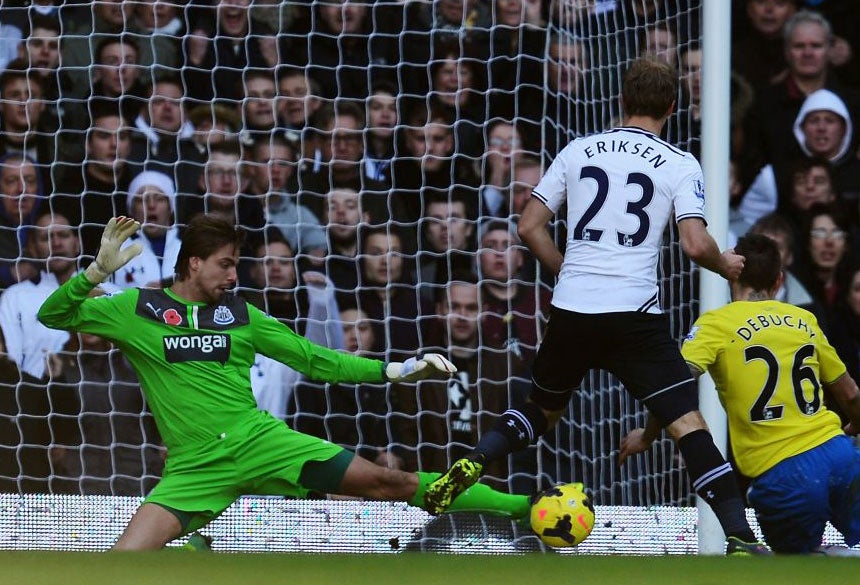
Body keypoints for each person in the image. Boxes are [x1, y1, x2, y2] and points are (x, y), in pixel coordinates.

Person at [423, 57, 769, 555]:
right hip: (634, 316)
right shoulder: (678, 161)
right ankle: (739, 533)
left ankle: (476, 460)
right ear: (672, 106)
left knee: (540, 410)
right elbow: (694, 244)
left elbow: (527, 226)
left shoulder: (578, 150)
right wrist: (726, 265)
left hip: (572, 308)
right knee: (687, 423)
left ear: (622, 100)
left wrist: (565, 268)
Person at [36, 214, 530, 550]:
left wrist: (395, 370)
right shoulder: (136, 310)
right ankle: (195, 554)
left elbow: (317, 361)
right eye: (226, 264)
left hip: (263, 442)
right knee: (120, 565)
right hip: (193, 468)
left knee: (391, 482)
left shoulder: (241, 315)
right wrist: (95, 271)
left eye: (235, 265)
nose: (234, 275)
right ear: (194, 263)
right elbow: (53, 314)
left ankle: (526, 508)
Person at [621, 234, 860, 555]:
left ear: (730, 274)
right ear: (779, 280)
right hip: (841, 457)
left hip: (784, 474)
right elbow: (851, 392)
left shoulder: (715, 324)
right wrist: (855, 425)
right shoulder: (805, 320)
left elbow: (674, 387)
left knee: (797, 569)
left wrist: (648, 435)